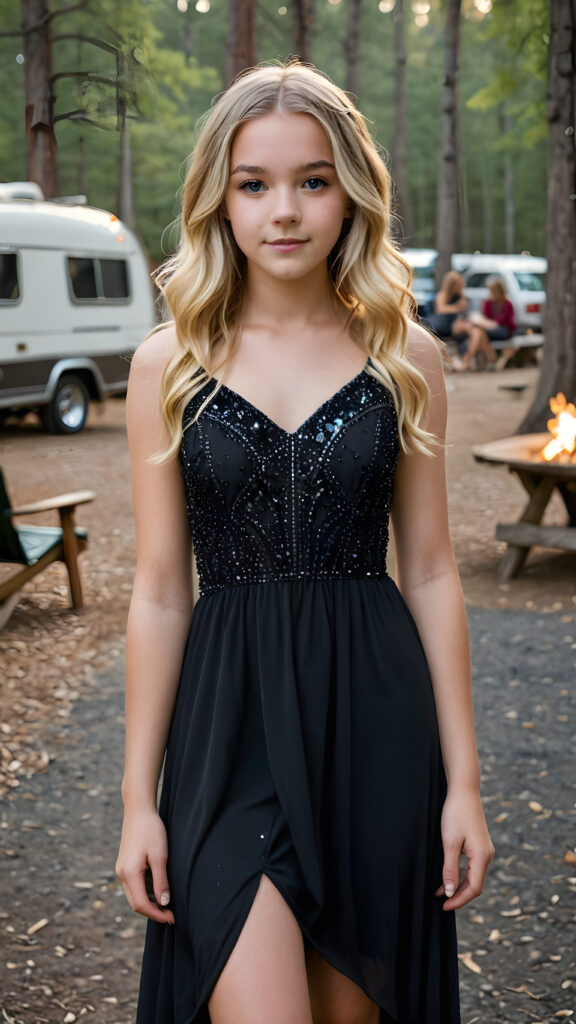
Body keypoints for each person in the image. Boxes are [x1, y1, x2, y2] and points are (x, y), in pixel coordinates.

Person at [115, 59, 494, 1024]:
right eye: (255, 184)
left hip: (375, 725)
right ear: (220, 199)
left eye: (312, 180)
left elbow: (435, 569)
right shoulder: (167, 365)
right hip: (227, 726)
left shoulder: (407, 356)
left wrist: (465, 785)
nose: (284, 210)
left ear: (350, 193)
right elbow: (160, 590)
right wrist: (137, 801)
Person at [452, 277, 516, 371]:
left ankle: (471, 360)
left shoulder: (507, 304)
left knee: (479, 332)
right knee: (479, 332)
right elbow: (485, 317)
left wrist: (487, 323)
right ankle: (490, 358)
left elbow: (504, 322)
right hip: (488, 328)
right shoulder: (488, 303)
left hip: (504, 330)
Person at [422, 270, 468, 344]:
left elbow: (463, 307)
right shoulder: (442, 294)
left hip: (452, 323)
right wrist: (456, 308)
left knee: (470, 328)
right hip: (442, 323)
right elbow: (440, 310)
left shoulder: (458, 295)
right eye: (458, 285)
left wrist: (461, 292)